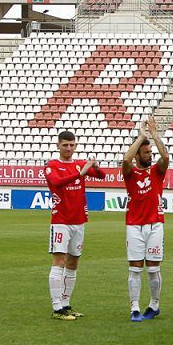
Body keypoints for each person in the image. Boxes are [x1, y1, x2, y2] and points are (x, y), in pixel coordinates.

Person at [44, 130, 103, 320]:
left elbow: (101, 175)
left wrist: (95, 166)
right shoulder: (52, 165)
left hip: (79, 220)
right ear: (58, 146)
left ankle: (66, 303)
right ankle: (56, 308)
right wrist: (81, 172)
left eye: (71, 145)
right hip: (61, 221)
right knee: (59, 261)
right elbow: (56, 182)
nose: (68, 148)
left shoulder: (79, 164)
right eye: (65, 145)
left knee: (73, 262)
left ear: (75, 145)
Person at [122, 116, 169, 322]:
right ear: (138, 155)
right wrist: (141, 136)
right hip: (134, 225)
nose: (150, 155)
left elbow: (165, 158)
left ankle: (154, 304)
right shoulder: (130, 172)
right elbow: (125, 160)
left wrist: (154, 135)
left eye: (150, 152)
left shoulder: (156, 172)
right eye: (146, 152)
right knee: (134, 268)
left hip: (155, 225)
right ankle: (134, 307)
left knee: (152, 268)